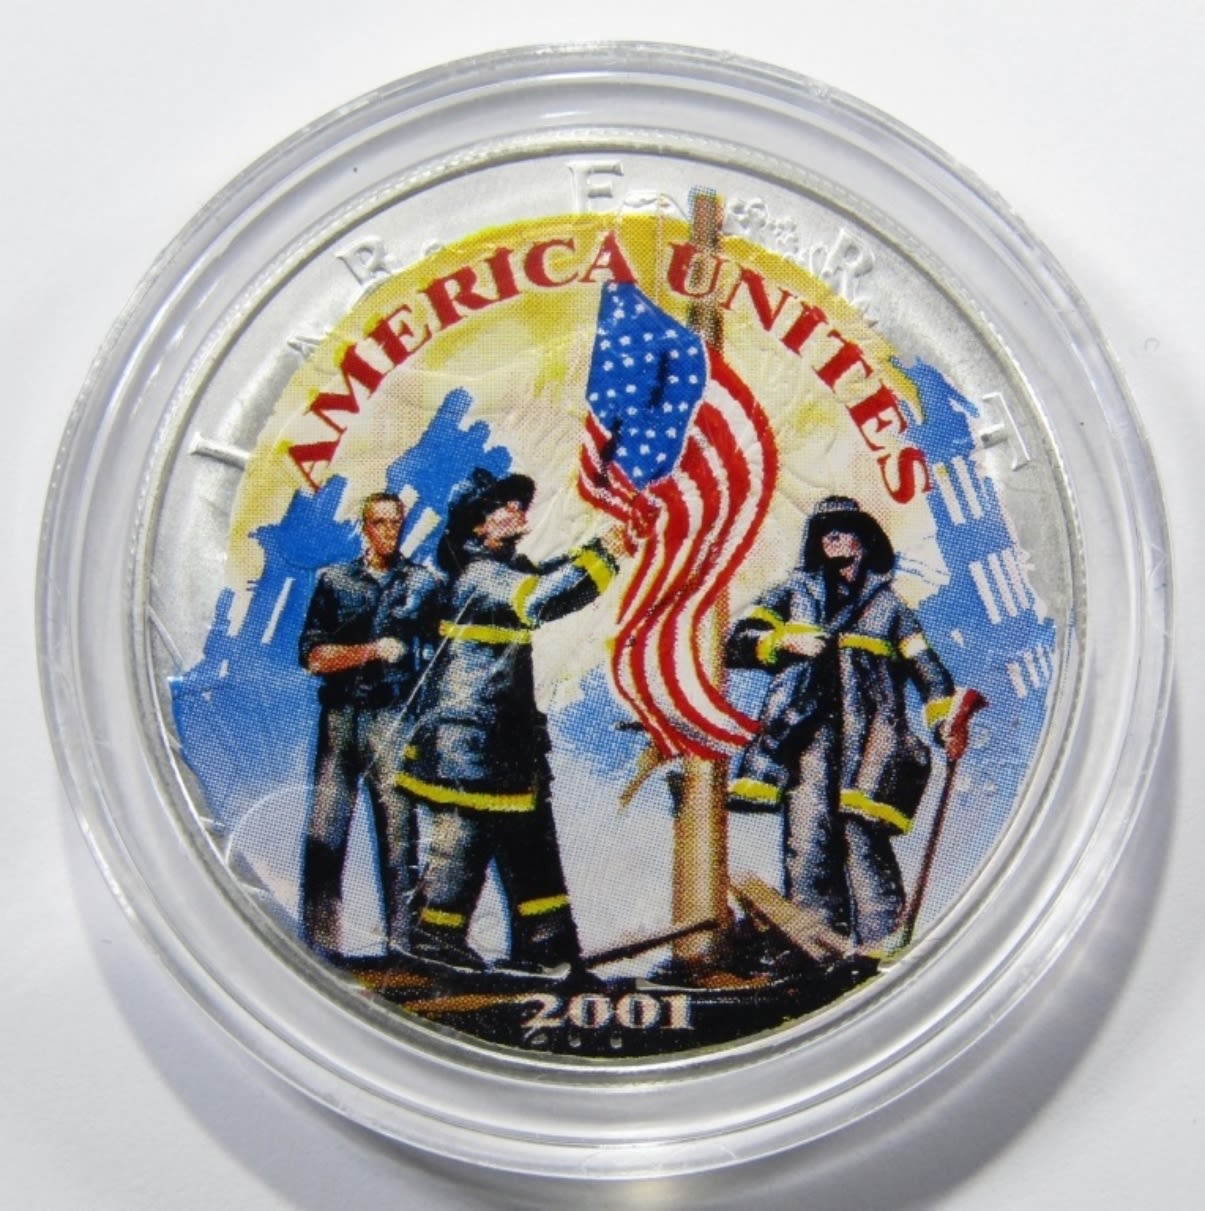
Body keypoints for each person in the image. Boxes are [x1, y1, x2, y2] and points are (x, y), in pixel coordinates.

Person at [398, 468, 627, 975]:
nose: (517, 510)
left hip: (503, 744)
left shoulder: (505, 569)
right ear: (478, 525)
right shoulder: (481, 576)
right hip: (470, 745)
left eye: (516, 503)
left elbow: (548, 582)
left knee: (530, 844)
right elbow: (540, 597)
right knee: (463, 845)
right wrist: (605, 554)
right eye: (502, 505)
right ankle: (434, 943)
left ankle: (548, 946)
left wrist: (600, 550)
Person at [725, 495, 976, 951]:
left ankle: (882, 950)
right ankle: (819, 951)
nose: (833, 537)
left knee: (862, 842)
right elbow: (736, 643)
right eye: (825, 530)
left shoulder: (891, 609)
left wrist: (946, 724)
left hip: (871, 745)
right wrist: (783, 641)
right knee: (808, 847)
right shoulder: (793, 594)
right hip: (806, 741)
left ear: (865, 539)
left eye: (843, 528)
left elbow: (928, 672)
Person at [298, 492, 444, 958]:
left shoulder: (423, 584)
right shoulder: (335, 582)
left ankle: (406, 950)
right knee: (325, 834)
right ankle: (319, 949)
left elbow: (439, 658)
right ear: (365, 527)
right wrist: (371, 651)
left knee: (401, 838)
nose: (388, 531)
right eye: (379, 523)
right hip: (340, 721)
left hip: (394, 719)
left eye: (395, 522)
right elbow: (313, 657)